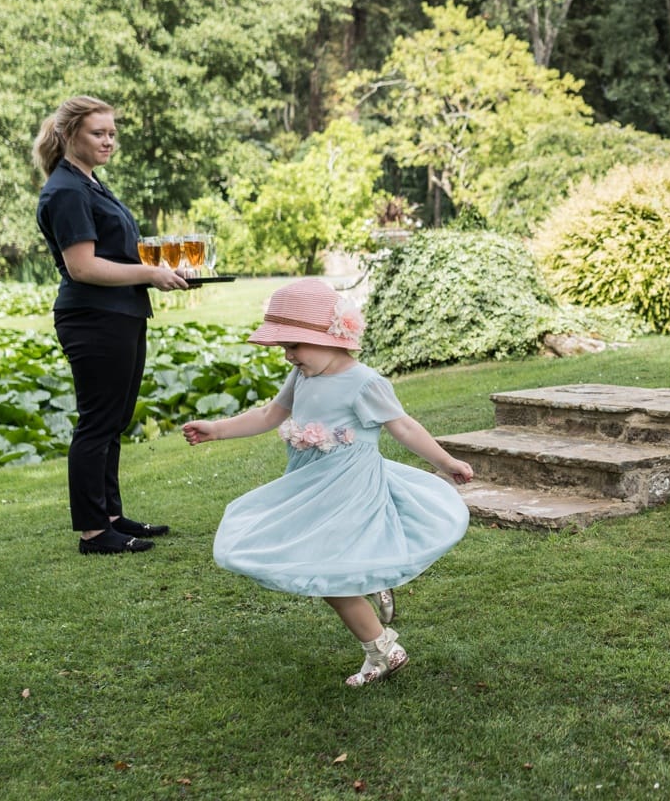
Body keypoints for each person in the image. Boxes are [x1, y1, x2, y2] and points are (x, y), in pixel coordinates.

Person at [182, 278, 473, 688]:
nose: (288, 355)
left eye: (294, 345)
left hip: (350, 490)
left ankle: (383, 650)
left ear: (328, 337)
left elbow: (404, 427)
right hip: (311, 488)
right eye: (283, 347)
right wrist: (217, 429)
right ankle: (372, 580)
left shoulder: (364, 382)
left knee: (327, 573)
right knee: (327, 564)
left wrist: (445, 461)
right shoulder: (302, 377)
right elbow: (268, 415)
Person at [34, 96, 189, 555]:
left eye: (112, 133)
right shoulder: (66, 190)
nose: (108, 141)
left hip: (121, 313)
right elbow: (83, 266)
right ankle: (94, 533)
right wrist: (150, 274)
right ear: (69, 135)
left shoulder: (90, 183)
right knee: (97, 423)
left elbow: (115, 251)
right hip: (93, 318)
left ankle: (111, 517)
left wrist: (164, 268)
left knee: (114, 420)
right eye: (98, 133)